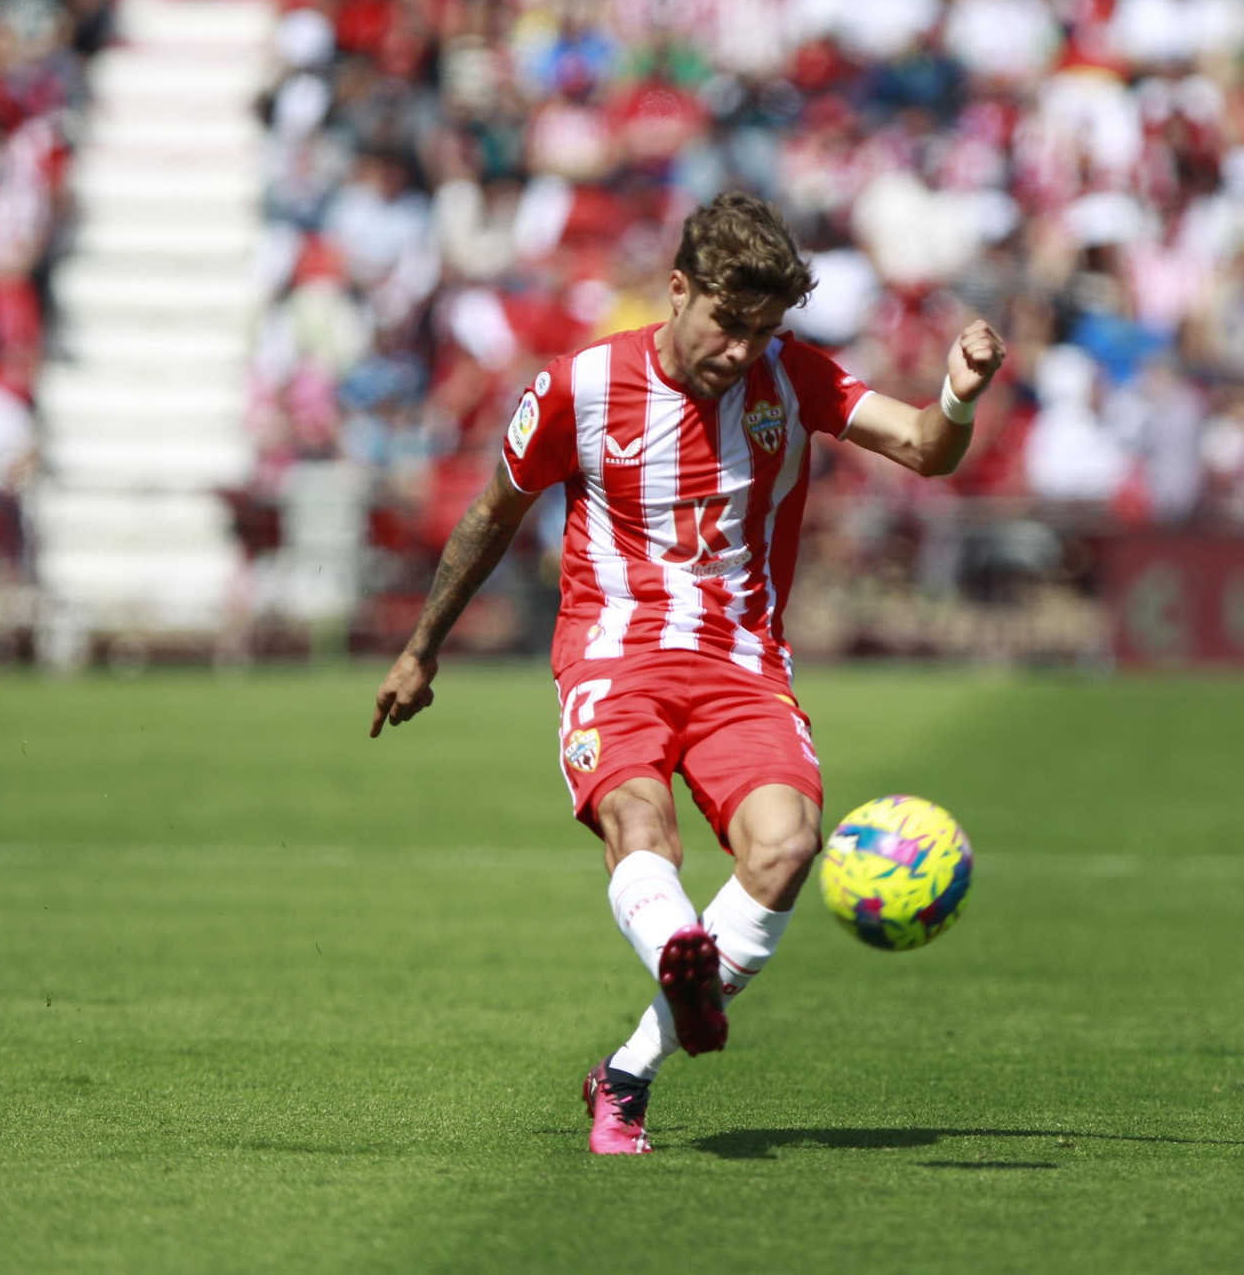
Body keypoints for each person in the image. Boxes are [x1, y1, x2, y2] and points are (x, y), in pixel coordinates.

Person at [370, 192, 1006, 1154]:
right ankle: (680, 958)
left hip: (742, 666)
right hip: (612, 654)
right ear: (676, 292)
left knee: (788, 848)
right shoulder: (578, 388)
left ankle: (627, 1069)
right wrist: (423, 647)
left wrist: (958, 392)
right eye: (729, 323)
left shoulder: (794, 376)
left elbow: (924, 447)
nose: (745, 350)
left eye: (764, 329)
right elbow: (492, 515)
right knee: (640, 824)